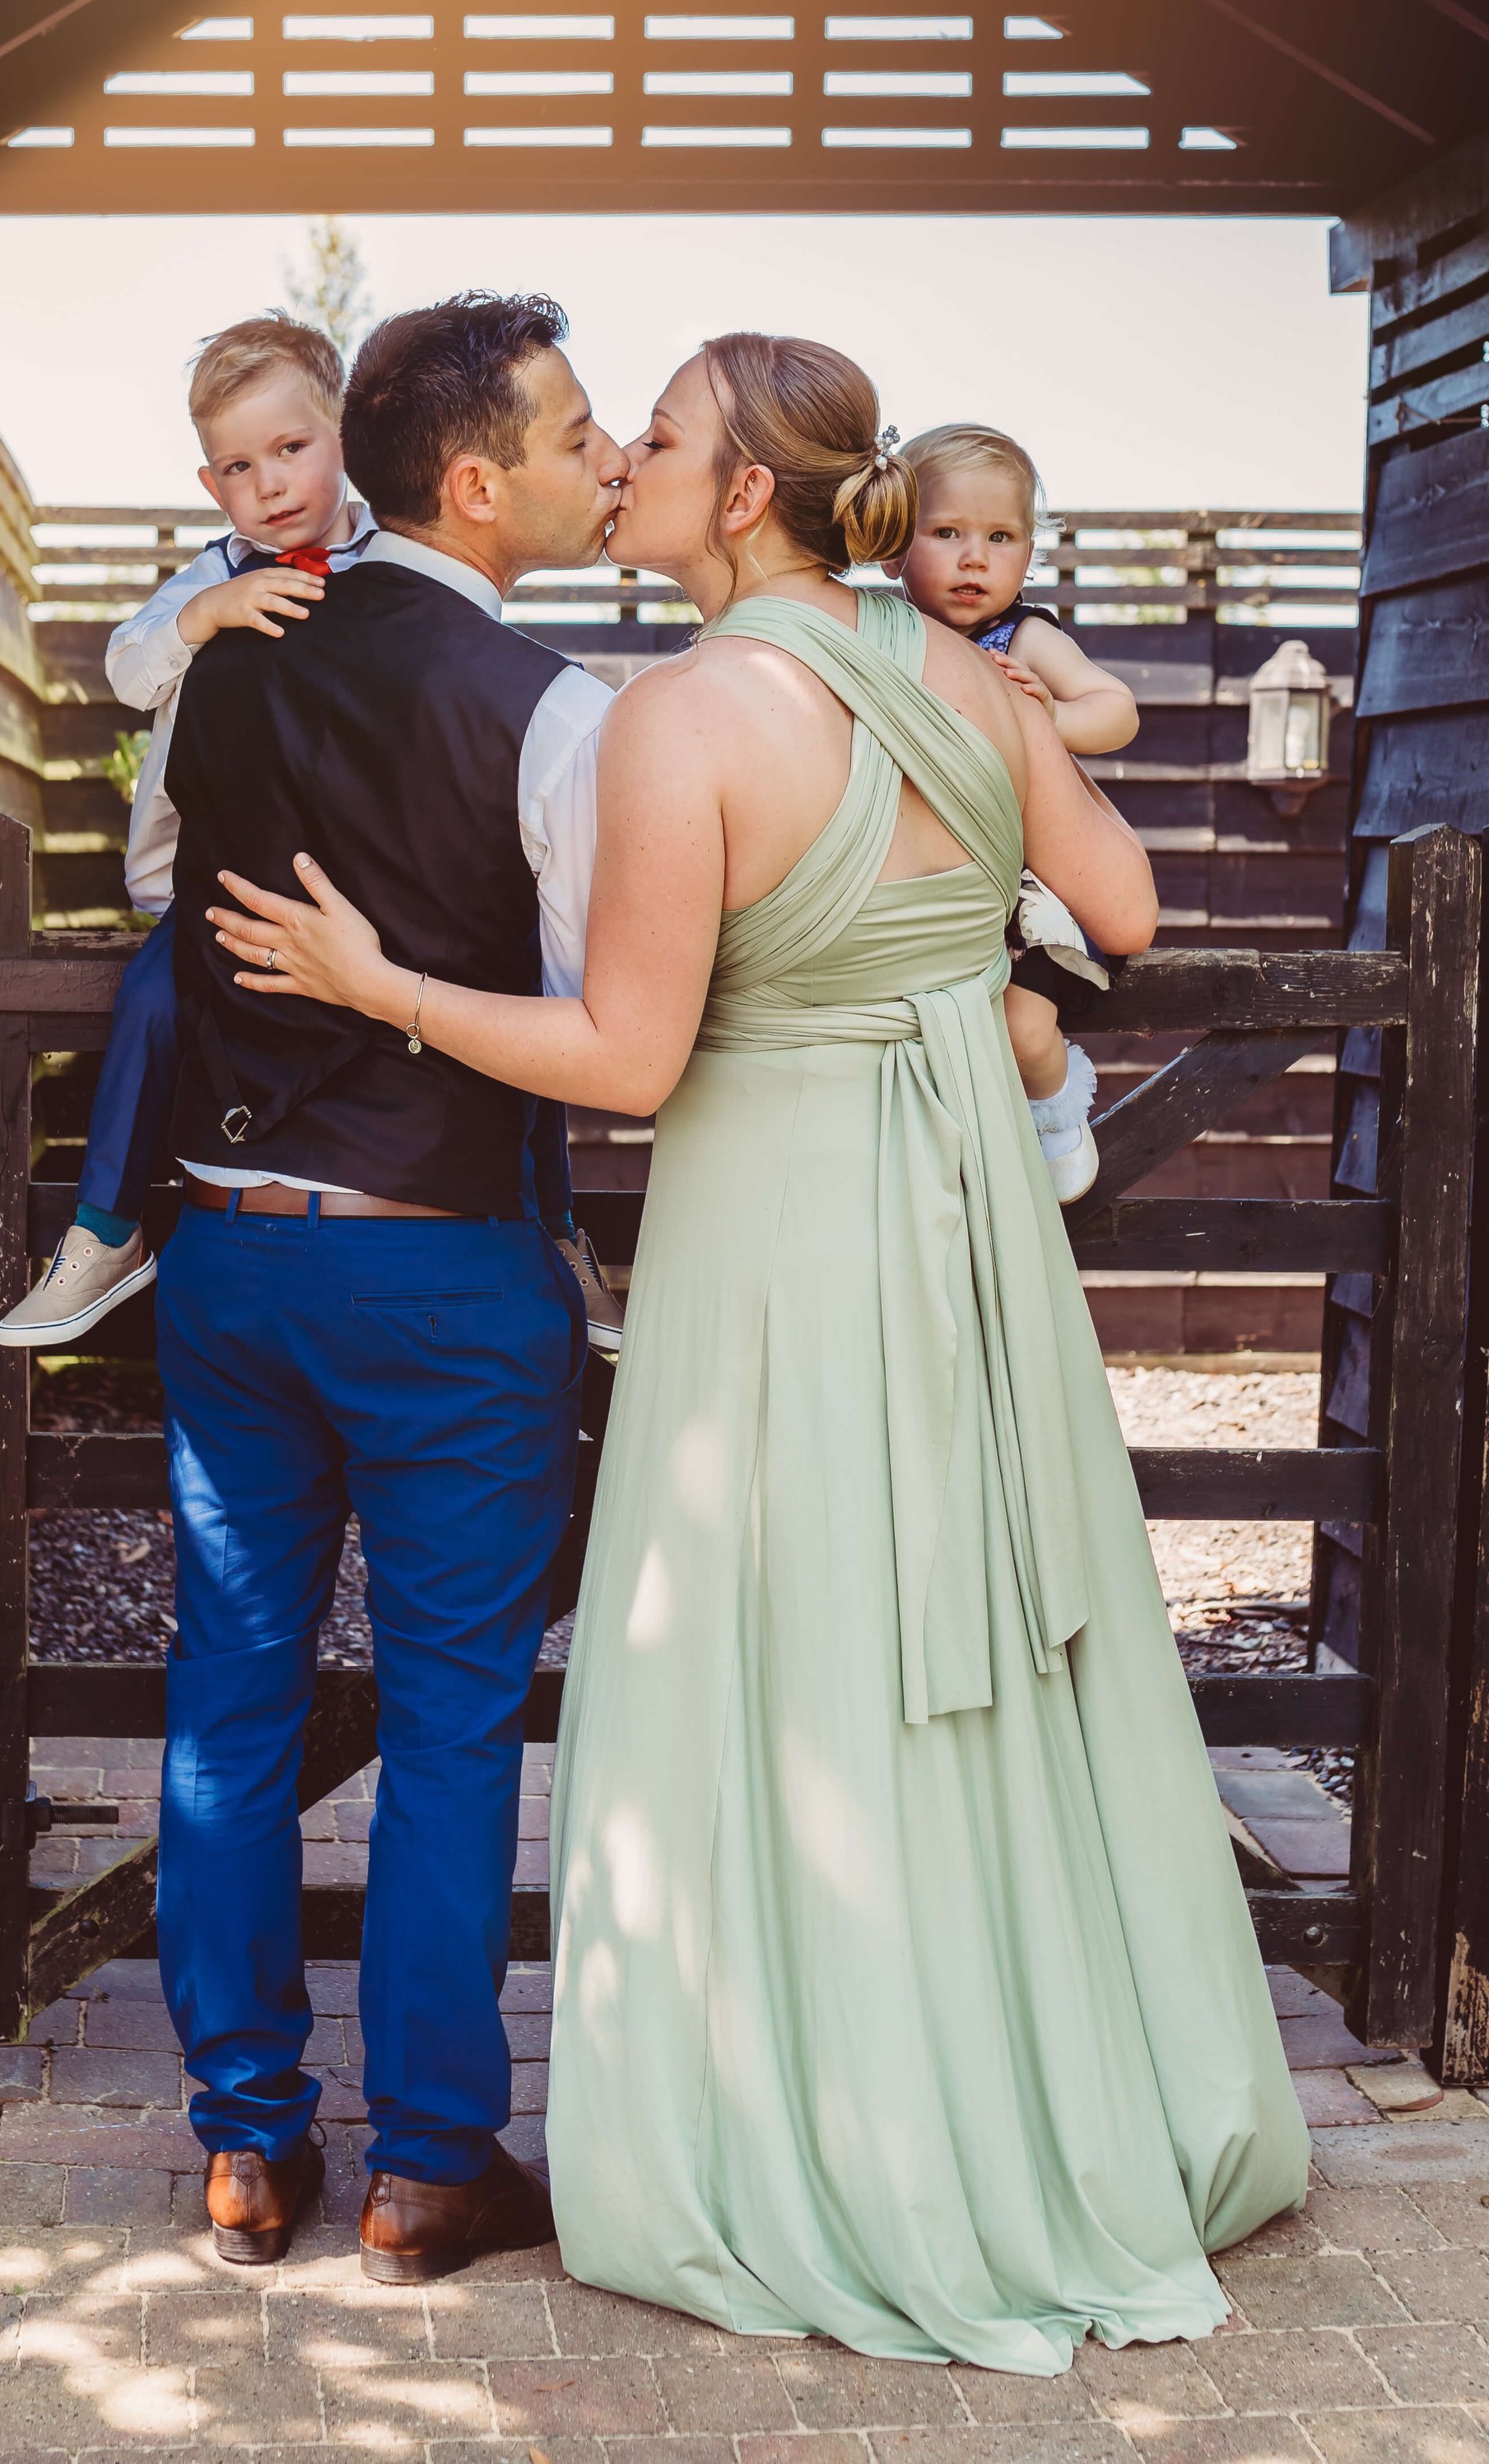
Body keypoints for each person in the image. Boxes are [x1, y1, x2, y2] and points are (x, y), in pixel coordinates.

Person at [207, 332, 1310, 2367]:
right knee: (965, 1628)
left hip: (781, 1226)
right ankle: (1053, 2085)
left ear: (739, 495)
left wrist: (382, 982)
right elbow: (1130, 903)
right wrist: (958, 975)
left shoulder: (677, 718)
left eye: (664, 434)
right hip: (963, 1218)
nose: (619, 455)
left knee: (787, 1639)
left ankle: (829, 2114)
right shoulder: (965, 672)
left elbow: (625, 1058)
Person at [153, 293, 631, 2285]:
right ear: (472, 473)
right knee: (450, 1723)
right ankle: (429, 2161)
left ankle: (247, 2143)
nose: (600, 460)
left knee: (228, 1704)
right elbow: (613, 1008)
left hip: (234, 1255)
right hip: (441, 1271)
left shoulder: (226, 666)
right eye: (575, 430)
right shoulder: (555, 706)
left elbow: (178, 904)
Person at [0, 314, 367, 1348]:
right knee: (156, 996)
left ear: (343, 437)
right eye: (241, 467)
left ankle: (554, 1228)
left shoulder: (399, 561)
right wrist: (209, 615)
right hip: (226, 876)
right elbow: (124, 669)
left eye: (293, 449)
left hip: (374, 872)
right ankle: (106, 1229)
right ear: (213, 486)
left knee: (497, 985)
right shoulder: (212, 573)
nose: (273, 485)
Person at [888, 421, 1142, 1204]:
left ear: (1029, 551)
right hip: (927, 877)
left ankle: (1058, 1112)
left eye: (1001, 536)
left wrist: (1051, 717)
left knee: (1023, 1028)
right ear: (895, 545)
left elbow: (1117, 710)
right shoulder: (884, 631)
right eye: (947, 532)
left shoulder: (1025, 638)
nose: (975, 558)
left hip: (1031, 891)